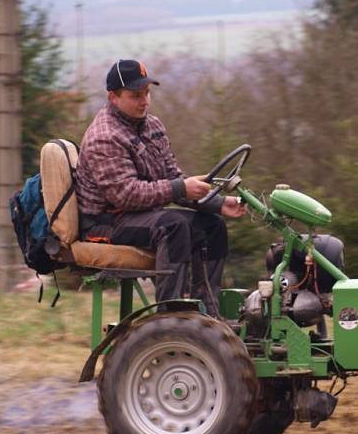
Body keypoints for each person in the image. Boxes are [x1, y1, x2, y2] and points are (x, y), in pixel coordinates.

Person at [75, 59, 246, 316]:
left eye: (147, 93)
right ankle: (170, 315)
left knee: (212, 225)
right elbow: (126, 195)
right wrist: (180, 188)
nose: (144, 101)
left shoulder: (152, 126)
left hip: (141, 214)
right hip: (106, 221)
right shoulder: (104, 136)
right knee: (173, 225)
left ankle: (208, 311)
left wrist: (218, 204)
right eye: (135, 95)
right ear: (113, 97)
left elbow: (172, 175)